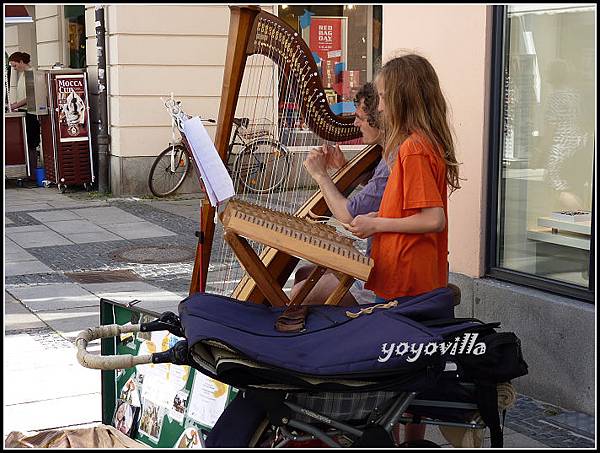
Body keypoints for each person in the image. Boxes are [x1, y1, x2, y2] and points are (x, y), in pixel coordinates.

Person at [346, 53, 461, 443]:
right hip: (415, 277)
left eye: (381, 95)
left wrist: (376, 222)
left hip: (407, 280)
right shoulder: (421, 144)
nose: (377, 105)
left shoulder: (413, 149)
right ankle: (410, 440)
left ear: (402, 97)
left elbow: (433, 219)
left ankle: (399, 440)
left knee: (396, 372)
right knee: (412, 371)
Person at [290, 82, 388, 306]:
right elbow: (378, 194)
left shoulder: (393, 159)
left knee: (299, 295)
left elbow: (348, 214)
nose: (355, 124)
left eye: (361, 118)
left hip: (384, 275)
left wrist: (320, 175)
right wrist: (344, 168)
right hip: (377, 260)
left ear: (380, 121)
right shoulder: (388, 155)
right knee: (305, 273)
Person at [8, 51, 41, 172]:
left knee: (31, 143)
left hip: (30, 112)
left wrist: (16, 104)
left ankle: (32, 171)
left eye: (15, 65)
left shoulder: (31, 73)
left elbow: (31, 96)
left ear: (21, 62)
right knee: (27, 142)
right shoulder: (23, 74)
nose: (14, 69)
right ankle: (29, 170)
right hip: (24, 110)